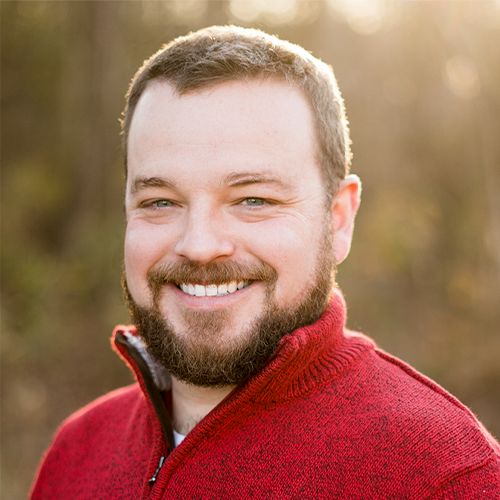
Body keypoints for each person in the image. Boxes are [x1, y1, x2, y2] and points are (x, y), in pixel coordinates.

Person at [31, 25, 500, 499]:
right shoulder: (77, 453)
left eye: (253, 199)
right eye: (160, 202)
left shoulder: (446, 475)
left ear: (338, 220)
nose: (199, 245)